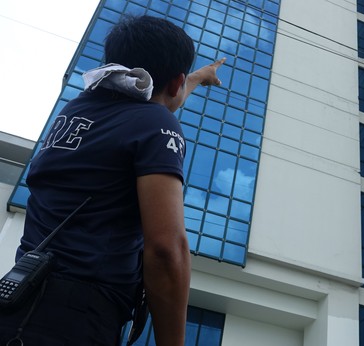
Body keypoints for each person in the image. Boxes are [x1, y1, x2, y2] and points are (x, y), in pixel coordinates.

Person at [0, 15, 224, 345]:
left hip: (18, 303)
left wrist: (195, 78)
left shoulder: (77, 110)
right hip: (76, 319)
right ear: (174, 82)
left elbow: (158, 105)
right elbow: (165, 250)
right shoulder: (154, 123)